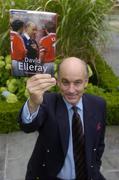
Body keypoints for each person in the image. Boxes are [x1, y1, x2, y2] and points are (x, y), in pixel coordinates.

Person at [19, 57, 106, 180]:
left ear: (86, 82)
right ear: (58, 81)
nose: (71, 90)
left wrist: (94, 167)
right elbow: (27, 126)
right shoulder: (46, 102)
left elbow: (99, 143)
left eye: (77, 82)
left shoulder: (99, 104)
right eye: (65, 82)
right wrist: (33, 103)